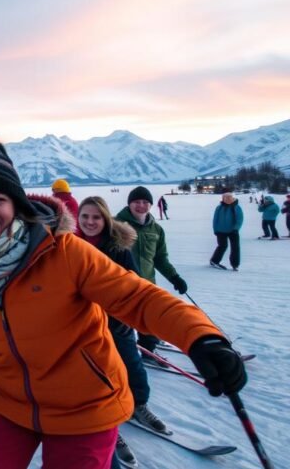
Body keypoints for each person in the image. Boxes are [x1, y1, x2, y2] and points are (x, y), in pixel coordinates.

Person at [0, 136, 246, 469]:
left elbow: (136, 296)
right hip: (8, 405)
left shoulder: (63, 251)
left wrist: (200, 336)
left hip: (86, 406)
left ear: (16, 204)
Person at [75, 196, 166, 467]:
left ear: (105, 219)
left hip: (116, 323)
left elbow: (134, 285)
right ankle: (112, 427)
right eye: (85, 217)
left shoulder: (118, 249)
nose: (90, 222)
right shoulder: (70, 246)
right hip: (85, 327)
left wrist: (131, 316)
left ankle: (139, 405)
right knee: (98, 378)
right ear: (77, 219)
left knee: (131, 366)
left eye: (96, 217)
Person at [114, 186, 189, 353]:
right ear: (129, 204)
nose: (141, 205)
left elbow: (160, 259)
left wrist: (174, 277)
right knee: (120, 322)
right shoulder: (115, 225)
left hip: (146, 283)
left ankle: (148, 347)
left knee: (148, 319)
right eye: (136, 202)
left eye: (145, 202)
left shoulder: (156, 229)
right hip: (120, 284)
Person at [210, 193, 243, 271]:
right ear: (223, 199)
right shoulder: (219, 207)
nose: (227, 200)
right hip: (221, 231)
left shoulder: (236, 207)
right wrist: (215, 230)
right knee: (222, 246)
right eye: (226, 198)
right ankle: (214, 261)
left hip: (233, 231)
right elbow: (215, 219)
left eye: (229, 198)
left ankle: (235, 264)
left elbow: (240, 219)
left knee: (235, 247)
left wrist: (236, 228)